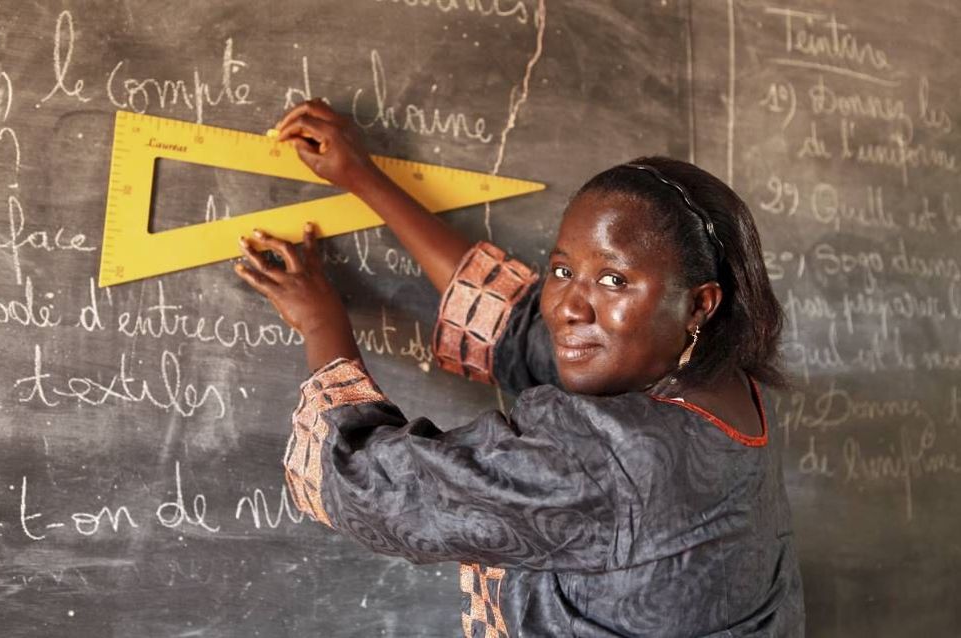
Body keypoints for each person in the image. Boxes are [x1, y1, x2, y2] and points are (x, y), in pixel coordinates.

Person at [234, 99, 805, 637]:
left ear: (700, 303)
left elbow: (367, 483)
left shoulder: (607, 459)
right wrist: (365, 177)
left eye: (613, 280)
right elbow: (515, 324)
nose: (568, 307)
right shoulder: (728, 391)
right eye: (561, 271)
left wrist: (320, 325)